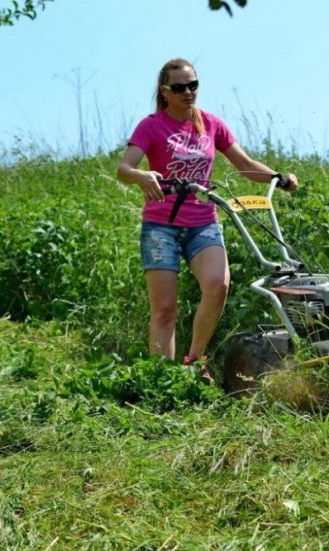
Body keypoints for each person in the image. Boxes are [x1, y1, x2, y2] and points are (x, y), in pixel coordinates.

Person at [116, 58, 298, 378]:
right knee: (165, 310)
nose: (188, 92)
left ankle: (194, 362)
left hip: (203, 221)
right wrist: (141, 176)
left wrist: (278, 177)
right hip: (161, 226)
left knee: (218, 285)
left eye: (193, 85)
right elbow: (124, 169)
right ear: (164, 91)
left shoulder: (211, 123)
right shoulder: (151, 125)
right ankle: (160, 381)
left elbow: (244, 164)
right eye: (179, 87)